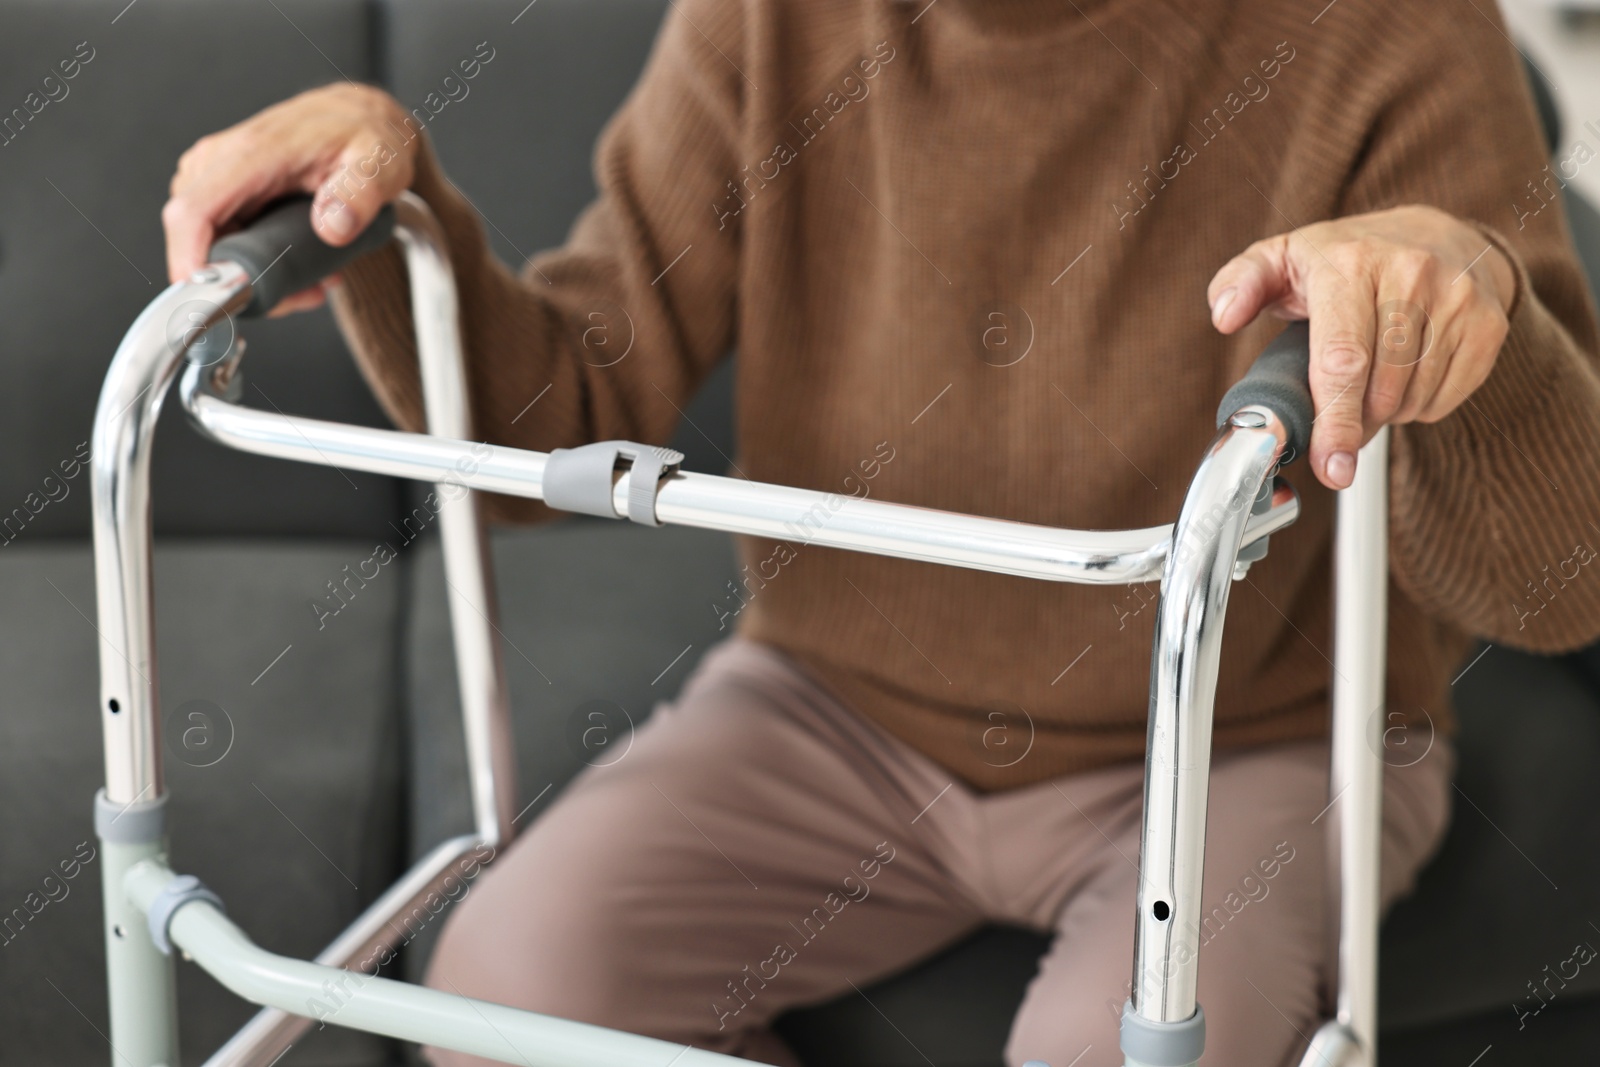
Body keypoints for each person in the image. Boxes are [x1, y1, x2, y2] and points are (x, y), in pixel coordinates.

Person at [162, 1, 1600, 1064]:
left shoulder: (1394, 32)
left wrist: (1473, 310)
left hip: (1251, 730)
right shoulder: (767, 21)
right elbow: (561, 413)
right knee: (504, 988)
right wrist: (400, 220)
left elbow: (1559, 588)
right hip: (837, 711)